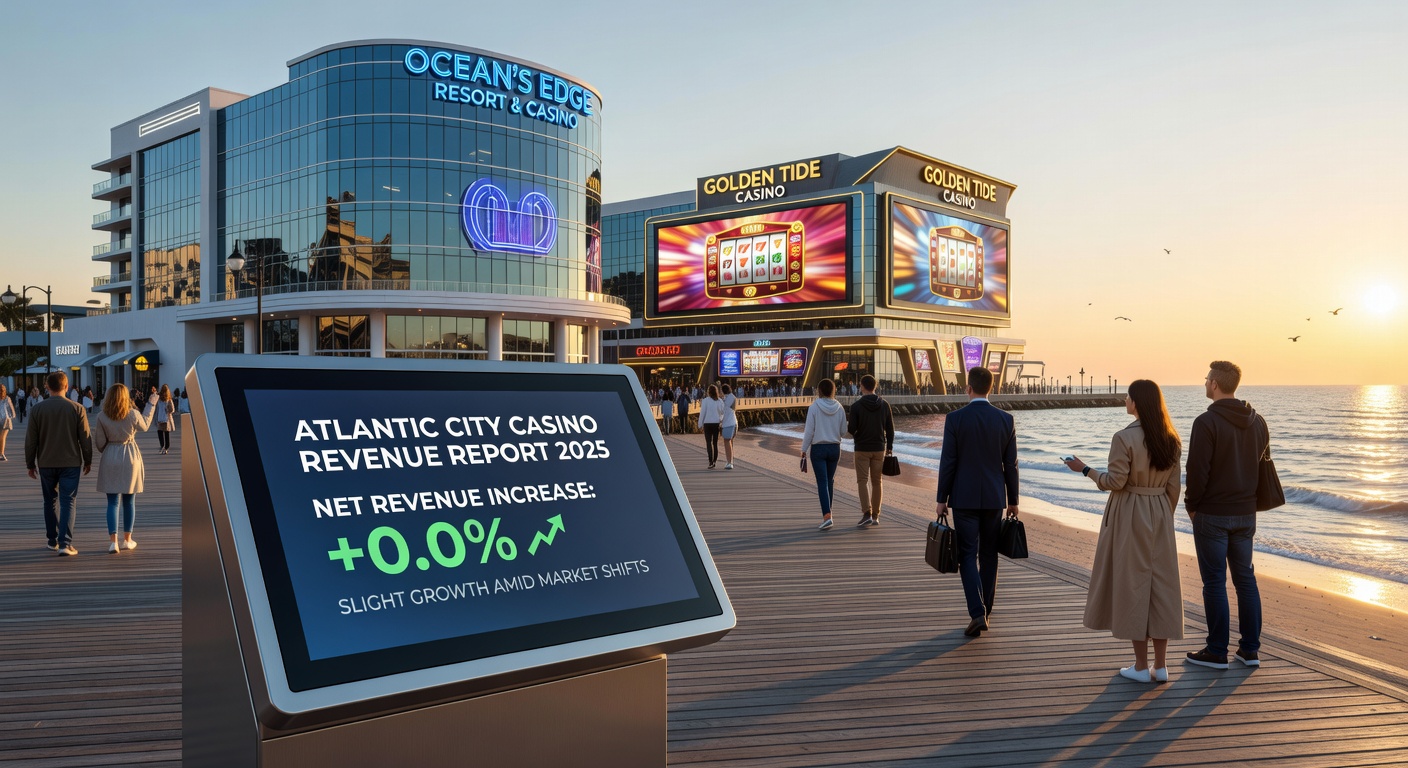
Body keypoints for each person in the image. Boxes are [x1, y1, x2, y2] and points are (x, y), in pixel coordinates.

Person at [1064, 380, 1183, 683]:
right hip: (1159, 512)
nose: (1125, 402)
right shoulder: (1172, 438)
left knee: (1133, 585)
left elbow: (1115, 482)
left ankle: (1141, 667)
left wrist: (1085, 470)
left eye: (1128, 397)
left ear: (1137, 403)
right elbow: (1173, 488)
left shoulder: (1124, 437)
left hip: (1131, 512)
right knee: (1161, 587)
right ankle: (1161, 665)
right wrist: (1162, 516)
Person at [1184, 360, 1269, 670]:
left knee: (1215, 582)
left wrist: (1191, 504)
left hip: (1213, 514)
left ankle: (1217, 650)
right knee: (1246, 580)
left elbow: (1197, 471)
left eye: (1207, 378)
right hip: (1246, 513)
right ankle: (1250, 650)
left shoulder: (1206, 422)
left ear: (1215, 385)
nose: (1205, 382)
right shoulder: (1257, 422)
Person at [935, 367, 1019, 637]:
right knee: (990, 554)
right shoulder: (1006, 420)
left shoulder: (955, 419)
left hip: (963, 497)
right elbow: (1011, 465)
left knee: (967, 555)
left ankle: (977, 612)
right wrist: (1013, 500)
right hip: (995, 497)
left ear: (968, 388)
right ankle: (986, 612)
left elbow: (949, 461)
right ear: (990, 389)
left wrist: (941, 499)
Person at [24, 372, 93, 556]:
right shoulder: (77, 409)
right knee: (68, 500)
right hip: (70, 462)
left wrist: (30, 464)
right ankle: (65, 543)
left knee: (49, 501)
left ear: (47, 387)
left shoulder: (37, 410)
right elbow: (85, 438)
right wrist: (88, 460)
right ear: (66, 385)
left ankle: (52, 539)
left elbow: (31, 440)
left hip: (46, 462)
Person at [93, 383, 156, 554]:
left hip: (110, 455)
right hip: (130, 455)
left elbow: (99, 444)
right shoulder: (133, 414)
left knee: (112, 502)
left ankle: (113, 542)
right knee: (129, 501)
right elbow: (145, 426)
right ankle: (127, 540)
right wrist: (151, 405)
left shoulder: (101, 416)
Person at [847, 374, 895, 528]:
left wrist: (856, 431)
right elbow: (890, 429)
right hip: (879, 448)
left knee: (862, 481)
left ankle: (866, 513)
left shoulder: (856, 407)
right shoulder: (884, 404)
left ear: (862, 386)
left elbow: (851, 429)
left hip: (861, 448)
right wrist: (889, 447)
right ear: (875, 386)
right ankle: (875, 515)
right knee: (877, 482)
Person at [800, 378, 847, 531]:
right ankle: (829, 514)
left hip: (818, 448)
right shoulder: (839, 407)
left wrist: (803, 449)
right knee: (829, 481)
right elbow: (843, 432)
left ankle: (827, 516)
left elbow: (809, 431)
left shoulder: (814, 407)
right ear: (833, 390)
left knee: (822, 482)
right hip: (834, 448)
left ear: (819, 390)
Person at [698, 385, 725, 469]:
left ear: (708, 392)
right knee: (715, 443)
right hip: (716, 423)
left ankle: (710, 461)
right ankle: (714, 461)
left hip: (707, 423)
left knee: (708, 443)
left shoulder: (705, 401)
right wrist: (721, 420)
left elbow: (702, 413)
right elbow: (722, 413)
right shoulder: (720, 401)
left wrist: (700, 424)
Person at [154, 384, 176, 455]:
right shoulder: (168, 400)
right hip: (166, 419)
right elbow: (172, 410)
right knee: (166, 434)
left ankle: (162, 446)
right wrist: (168, 410)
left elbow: (156, 409)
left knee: (160, 432)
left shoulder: (159, 399)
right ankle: (165, 448)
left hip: (160, 419)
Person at [720, 383, 738, 469]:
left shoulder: (728, 399)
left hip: (728, 423)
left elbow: (723, 410)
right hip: (733, 423)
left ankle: (729, 462)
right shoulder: (731, 397)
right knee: (730, 442)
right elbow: (733, 408)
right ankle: (730, 461)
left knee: (727, 441)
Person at [0, 384, 14, 460]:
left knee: (2, 437)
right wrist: (10, 416)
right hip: (6, 419)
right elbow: (11, 410)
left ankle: (1, 453)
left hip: (5, 420)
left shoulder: (7, 399)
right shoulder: (7, 399)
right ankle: (1, 454)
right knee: (2, 437)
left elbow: (11, 410)